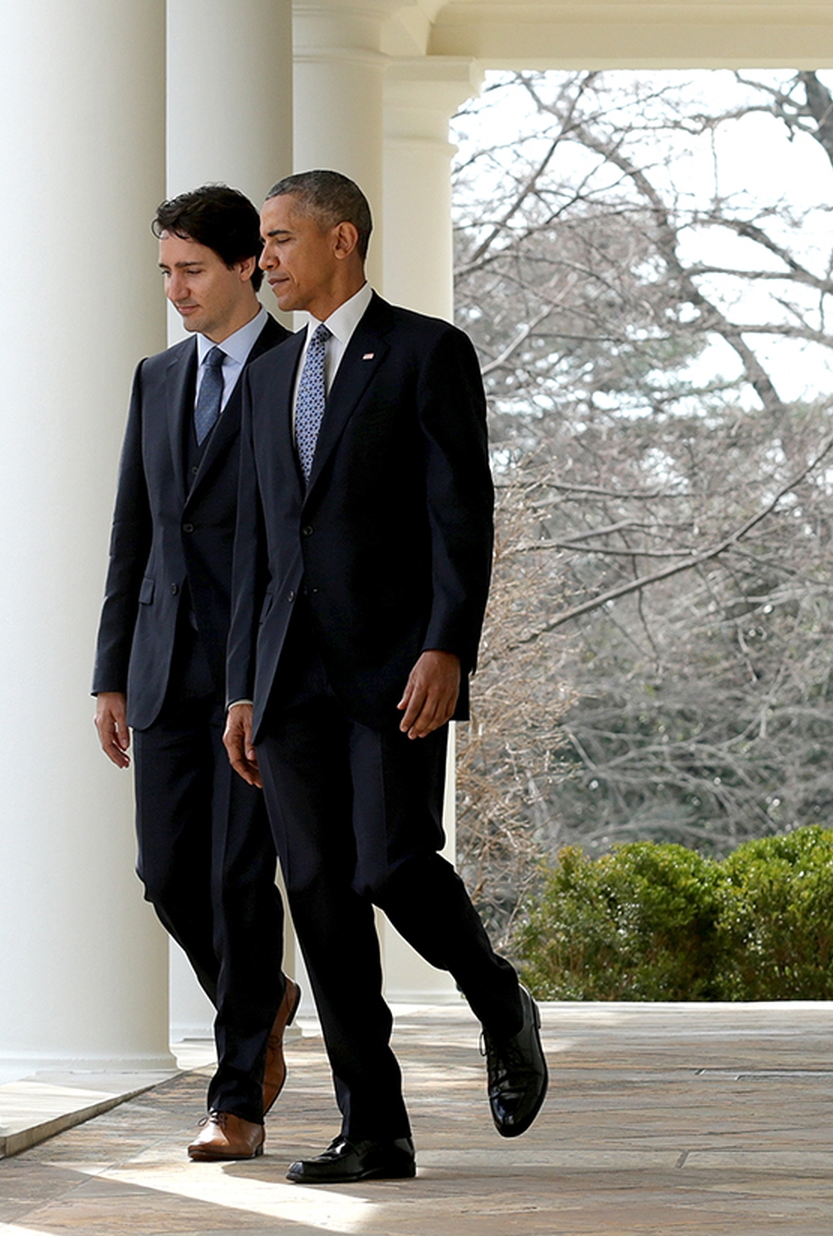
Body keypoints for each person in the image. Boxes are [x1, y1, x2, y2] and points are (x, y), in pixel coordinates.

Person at [223, 169, 548, 1185]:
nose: (264, 259)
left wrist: (448, 645)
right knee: (317, 895)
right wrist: (241, 685)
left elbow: (463, 514)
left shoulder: (425, 353)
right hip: (286, 680)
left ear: (342, 241)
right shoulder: (269, 376)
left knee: (390, 864)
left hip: (396, 666)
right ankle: (375, 1127)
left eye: (278, 241)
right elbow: (259, 549)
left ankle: (501, 1000)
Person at [93, 183, 300, 1163]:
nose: (175, 288)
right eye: (166, 272)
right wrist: (109, 674)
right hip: (162, 664)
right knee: (168, 875)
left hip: (262, 669)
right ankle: (264, 1003)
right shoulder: (155, 377)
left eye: (192, 270)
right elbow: (133, 531)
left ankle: (236, 1102)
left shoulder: (303, 371)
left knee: (234, 879)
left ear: (248, 264)